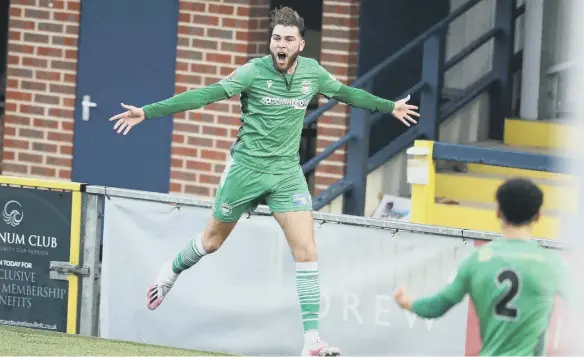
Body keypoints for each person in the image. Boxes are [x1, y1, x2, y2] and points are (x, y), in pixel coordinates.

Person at [109, 6, 419, 356]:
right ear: (270, 43)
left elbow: (347, 93)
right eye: (276, 39)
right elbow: (204, 95)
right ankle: (171, 269)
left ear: (301, 44)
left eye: (288, 39)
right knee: (211, 242)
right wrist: (147, 111)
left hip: (286, 174)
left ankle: (312, 342)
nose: (280, 44)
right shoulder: (252, 72)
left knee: (307, 252)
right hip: (245, 170)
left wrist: (388, 106)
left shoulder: (312, 73)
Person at [393, 177, 574, 356]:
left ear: (498, 212)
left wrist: (408, 302)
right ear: (538, 216)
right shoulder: (552, 264)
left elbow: (437, 306)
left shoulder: (477, 260)